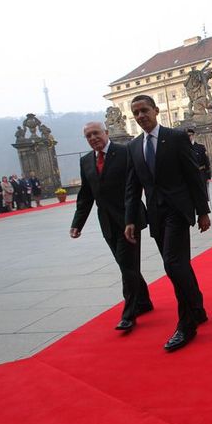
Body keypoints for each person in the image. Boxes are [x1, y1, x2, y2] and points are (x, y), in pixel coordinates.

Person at [124, 95, 210, 352]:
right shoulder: (134, 146)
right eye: (136, 112)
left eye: (144, 110)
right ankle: (198, 308)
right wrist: (130, 219)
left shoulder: (175, 138)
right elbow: (132, 186)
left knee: (173, 264)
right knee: (179, 264)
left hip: (178, 211)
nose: (141, 116)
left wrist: (203, 211)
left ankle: (186, 324)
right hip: (156, 216)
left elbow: (193, 176)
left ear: (156, 110)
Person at [70, 122, 153, 331]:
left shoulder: (125, 152)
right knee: (126, 265)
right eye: (88, 136)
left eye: (96, 133)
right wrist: (77, 223)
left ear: (106, 133)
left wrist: (130, 219)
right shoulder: (86, 161)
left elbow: (135, 188)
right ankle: (143, 301)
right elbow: (86, 194)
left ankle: (129, 314)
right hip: (107, 222)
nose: (93, 138)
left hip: (129, 219)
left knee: (127, 265)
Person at [186, 128, 211, 198]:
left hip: (201, 173)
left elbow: (206, 161)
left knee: (204, 194)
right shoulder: (184, 149)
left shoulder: (200, 147)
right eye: (187, 136)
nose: (189, 137)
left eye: (190, 135)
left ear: (193, 136)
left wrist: (208, 175)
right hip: (190, 174)